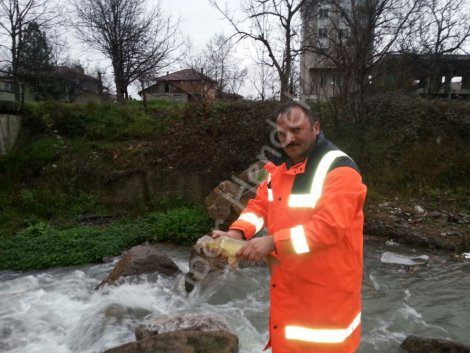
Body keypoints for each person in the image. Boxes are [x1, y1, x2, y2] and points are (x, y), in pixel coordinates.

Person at [212, 101, 367, 353]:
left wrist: (272, 242)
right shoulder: (276, 170)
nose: (289, 139)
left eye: (297, 130)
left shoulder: (340, 169)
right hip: (289, 292)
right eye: (282, 134)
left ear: (315, 127)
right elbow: (259, 207)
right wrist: (236, 233)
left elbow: (329, 228)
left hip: (327, 303)